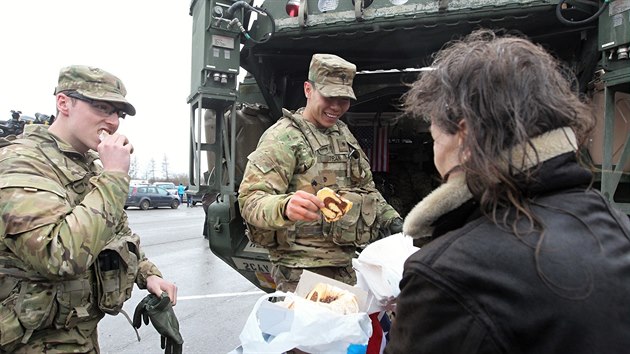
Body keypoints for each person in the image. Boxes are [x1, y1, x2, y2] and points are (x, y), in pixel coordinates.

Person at [385, 29, 630, 353]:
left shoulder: (446, 273)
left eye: (435, 138)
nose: (435, 155)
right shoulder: (614, 223)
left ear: (465, 136)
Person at [0, 65, 178, 353]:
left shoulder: (91, 165)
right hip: (30, 343)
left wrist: (149, 275)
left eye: (117, 113)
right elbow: (57, 256)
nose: (112, 121)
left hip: (79, 336)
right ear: (63, 103)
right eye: (101, 107)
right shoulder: (21, 161)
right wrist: (114, 178)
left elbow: (116, 233)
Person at [238, 53, 403, 292]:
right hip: (300, 271)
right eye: (329, 96)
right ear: (308, 90)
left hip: (345, 264)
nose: (336, 106)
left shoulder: (342, 133)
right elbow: (250, 200)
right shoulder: (283, 137)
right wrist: (284, 206)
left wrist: (395, 222)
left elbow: (367, 189)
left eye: (344, 99)